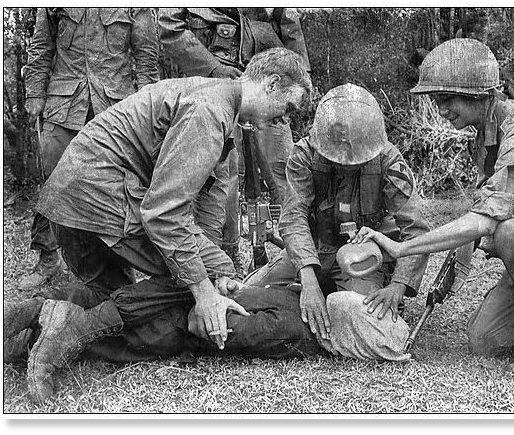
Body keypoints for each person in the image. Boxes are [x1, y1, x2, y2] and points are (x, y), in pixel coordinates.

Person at [31, 48, 312, 354]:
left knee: (111, 304)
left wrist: (218, 271)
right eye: (288, 107)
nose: (285, 119)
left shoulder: (217, 101)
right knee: (191, 275)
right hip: (94, 197)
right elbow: (163, 214)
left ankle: (29, 318)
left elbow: (197, 209)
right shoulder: (209, 111)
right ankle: (72, 330)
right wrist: (204, 292)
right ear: (272, 84)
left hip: (71, 200)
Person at [352, 38, 514, 381]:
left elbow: (486, 221)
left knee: (510, 233)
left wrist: (401, 248)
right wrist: (448, 278)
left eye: (447, 99)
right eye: (436, 101)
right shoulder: (485, 135)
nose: (441, 110)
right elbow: (479, 212)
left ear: (478, 94)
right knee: (486, 340)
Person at [5, 277, 411, 404]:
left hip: (177, 296)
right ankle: (46, 321)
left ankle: (37, 317)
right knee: (103, 340)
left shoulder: (304, 296)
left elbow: (251, 295)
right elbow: (214, 331)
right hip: (178, 322)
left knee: (105, 306)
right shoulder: (296, 331)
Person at [245, 83, 431, 343]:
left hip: (362, 259)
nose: (345, 163)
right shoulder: (304, 155)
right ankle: (313, 290)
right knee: (247, 296)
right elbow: (294, 218)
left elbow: (416, 229)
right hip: (312, 250)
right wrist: (309, 281)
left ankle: (329, 294)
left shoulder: (388, 160)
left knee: (366, 320)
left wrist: (398, 286)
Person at [159, 8, 311, 273]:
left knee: (285, 174)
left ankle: (299, 257)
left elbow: (288, 20)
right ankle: (222, 259)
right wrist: (214, 69)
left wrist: (301, 76)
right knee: (221, 178)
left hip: (271, 78)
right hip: (214, 78)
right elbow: (169, 25)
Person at [19, 7, 161, 291]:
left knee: (115, 192)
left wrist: (149, 109)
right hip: (64, 108)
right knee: (52, 182)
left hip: (114, 110)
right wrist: (34, 94)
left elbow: (146, 58)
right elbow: (41, 48)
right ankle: (48, 257)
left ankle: (116, 268)